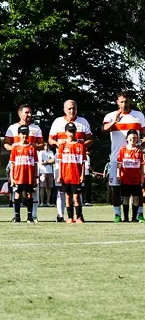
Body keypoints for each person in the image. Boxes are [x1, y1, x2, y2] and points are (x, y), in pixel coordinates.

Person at [102, 92, 145, 222]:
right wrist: (115, 121)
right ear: (117, 102)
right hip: (117, 159)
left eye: (126, 101)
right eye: (121, 102)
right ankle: (117, 214)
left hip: (135, 159)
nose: (124, 104)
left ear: (130, 101)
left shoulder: (139, 116)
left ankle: (139, 214)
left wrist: (142, 146)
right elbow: (103, 129)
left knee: (138, 188)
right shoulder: (110, 116)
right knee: (116, 188)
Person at [48, 100, 94, 221]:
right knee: (61, 189)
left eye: (74, 108)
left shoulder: (83, 122)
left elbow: (90, 139)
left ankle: (79, 215)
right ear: (64, 110)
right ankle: (61, 214)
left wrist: (82, 145)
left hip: (77, 160)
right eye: (69, 109)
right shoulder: (58, 122)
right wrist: (58, 144)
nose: (72, 111)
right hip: (62, 160)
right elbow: (50, 139)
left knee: (77, 191)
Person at [3, 104, 44, 220]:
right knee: (16, 188)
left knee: (32, 190)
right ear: (20, 113)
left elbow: (41, 144)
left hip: (31, 161)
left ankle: (33, 215)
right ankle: (16, 216)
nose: (29, 115)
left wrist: (32, 146)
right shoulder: (12, 128)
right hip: (17, 161)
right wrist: (16, 149)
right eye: (27, 112)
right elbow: (6, 143)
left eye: (30, 112)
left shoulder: (36, 128)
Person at [57, 122, 87, 223]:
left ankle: (79, 216)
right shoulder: (62, 146)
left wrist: (82, 175)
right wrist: (59, 175)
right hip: (65, 176)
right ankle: (70, 217)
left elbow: (83, 162)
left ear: (76, 132)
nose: (71, 133)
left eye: (73, 131)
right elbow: (60, 162)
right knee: (68, 196)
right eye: (69, 131)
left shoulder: (80, 145)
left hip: (76, 176)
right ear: (66, 132)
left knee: (76, 197)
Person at [9, 126, 38, 223]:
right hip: (18, 176)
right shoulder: (15, 148)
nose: (24, 135)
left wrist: (35, 177)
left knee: (29, 195)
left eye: (26, 133)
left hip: (29, 176)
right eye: (22, 133)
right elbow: (12, 165)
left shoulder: (32, 148)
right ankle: (17, 217)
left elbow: (35, 164)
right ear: (19, 135)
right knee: (18, 194)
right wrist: (12, 178)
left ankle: (30, 217)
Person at [116, 129, 143, 223]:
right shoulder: (123, 150)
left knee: (136, 198)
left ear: (137, 139)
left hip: (136, 179)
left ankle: (134, 217)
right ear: (127, 138)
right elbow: (119, 164)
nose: (133, 140)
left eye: (135, 138)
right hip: (125, 178)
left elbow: (142, 165)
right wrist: (118, 175)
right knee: (126, 198)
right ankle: (126, 218)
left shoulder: (139, 151)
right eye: (131, 138)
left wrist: (142, 177)